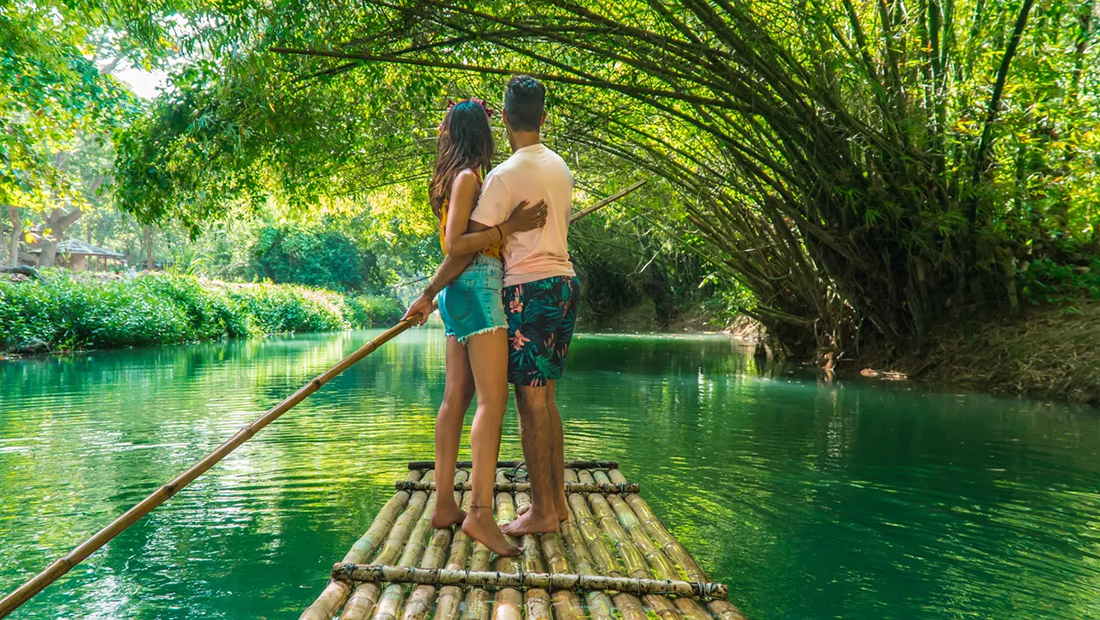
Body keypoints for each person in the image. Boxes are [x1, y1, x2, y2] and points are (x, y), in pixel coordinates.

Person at [406, 76, 579, 538]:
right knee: (533, 399)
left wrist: (430, 294)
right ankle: (542, 506)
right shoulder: (556, 166)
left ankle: (536, 510)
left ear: (504, 119)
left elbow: (460, 246)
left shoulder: (497, 176)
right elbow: (460, 243)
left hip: (524, 288)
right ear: (543, 117)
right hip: (551, 285)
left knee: (516, 399)